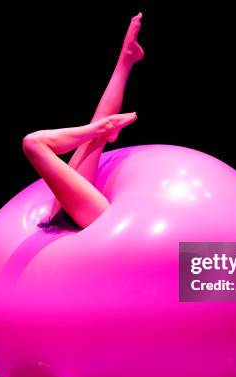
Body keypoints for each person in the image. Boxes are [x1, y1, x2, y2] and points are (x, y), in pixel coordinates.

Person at [22, 13, 144, 229]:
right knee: (34, 143)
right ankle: (103, 127)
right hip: (86, 221)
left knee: (89, 136)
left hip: (66, 217)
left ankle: (126, 58)